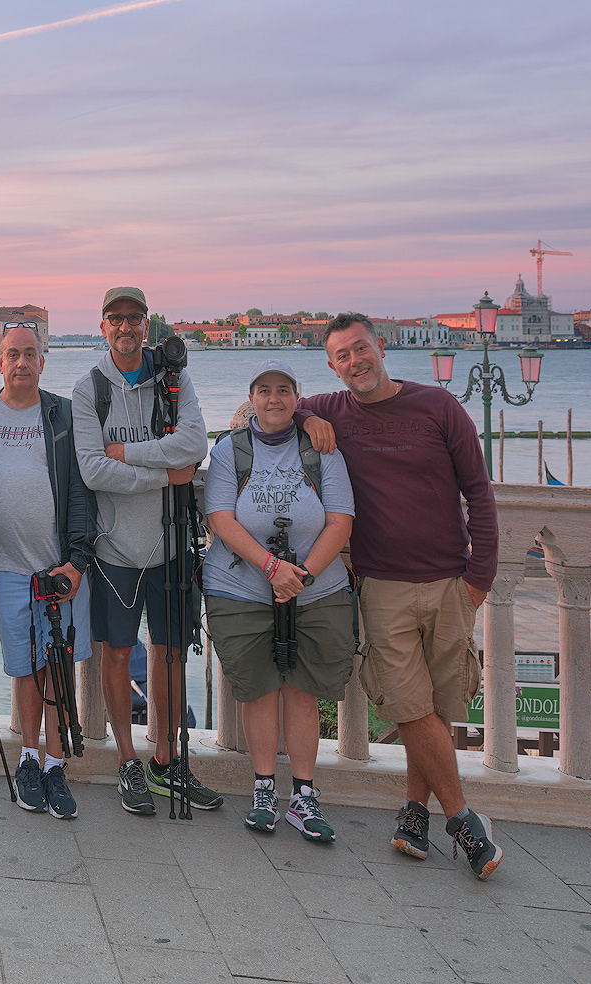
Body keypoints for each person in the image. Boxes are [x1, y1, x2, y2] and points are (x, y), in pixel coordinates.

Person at [296, 313, 502, 878]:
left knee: (434, 706)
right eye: (342, 355)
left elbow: (479, 497)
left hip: (449, 582)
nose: (355, 361)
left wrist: (478, 579)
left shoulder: (439, 408)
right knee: (410, 706)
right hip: (382, 584)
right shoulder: (333, 409)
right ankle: (463, 821)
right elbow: (270, 405)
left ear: (380, 348)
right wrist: (308, 416)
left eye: (361, 349)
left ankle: (415, 812)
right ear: (332, 366)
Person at [71, 286, 222, 815]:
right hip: (115, 547)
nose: (126, 327)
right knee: (116, 653)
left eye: (134, 319)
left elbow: (196, 445)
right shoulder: (90, 388)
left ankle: (165, 760)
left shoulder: (173, 378)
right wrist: (162, 474)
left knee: (171, 652)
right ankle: (127, 761)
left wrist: (129, 455)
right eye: (116, 319)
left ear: (146, 323)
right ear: (104, 325)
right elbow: (92, 469)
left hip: (174, 543)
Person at [202, 359, 355, 841]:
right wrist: (271, 569)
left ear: (296, 397)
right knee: (259, 687)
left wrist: (302, 575)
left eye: (284, 390)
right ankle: (265, 787)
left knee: (302, 688)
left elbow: (340, 521)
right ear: (252, 398)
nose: (275, 399)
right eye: (265, 390)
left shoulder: (321, 448)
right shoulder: (229, 451)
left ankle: (304, 795)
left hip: (316, 588)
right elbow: (220, 519)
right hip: (241, 587)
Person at [0, 325, 92, 819]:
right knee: (23, 667)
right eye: (12, 354)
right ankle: (27, 758)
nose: (21, 362)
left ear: (43, 361)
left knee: (57, 668)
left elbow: (82, 490)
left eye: (30, 354)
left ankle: (56, 765)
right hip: (6, 567)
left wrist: (78, 562)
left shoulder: (62, 414)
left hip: (59, 567)